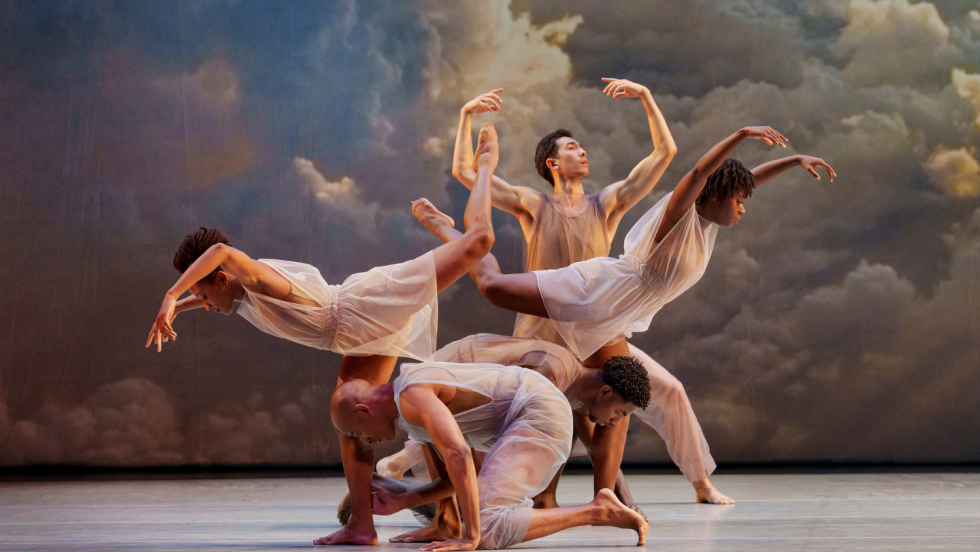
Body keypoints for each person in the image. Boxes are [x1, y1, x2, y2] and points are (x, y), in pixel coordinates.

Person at [420, 124, 836, 506]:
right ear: (713, 194)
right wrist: (741, 134)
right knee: (493, 287)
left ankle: (612, 494)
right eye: (739, 200)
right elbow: (697, 173)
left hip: (616, 316)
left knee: (630, 394)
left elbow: (742, 179)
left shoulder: (707, 223)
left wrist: (793, 162)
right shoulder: (679, 215)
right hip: (599, 291)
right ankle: (448, 230)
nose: (743, 207)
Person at [146, 124, 503, 546]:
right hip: (355, 336)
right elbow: (217, 284)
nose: (206, 304)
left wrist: (171, 295)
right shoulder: (240, 295)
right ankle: (363, 526)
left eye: (204, 294)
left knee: (480, 240)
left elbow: (223, 253)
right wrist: (182, 308)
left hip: (367, 305)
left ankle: (484, 167)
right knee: (350, 422)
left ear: (222, 279)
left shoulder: (261, 282)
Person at [451, 80, 732, 506]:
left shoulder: (607, 204)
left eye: (582, 147)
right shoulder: (533, 204)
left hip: (598, 331)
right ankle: (560, 494)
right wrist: (466, 116)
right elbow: (468, 174)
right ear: (553, 163)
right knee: (549, 408)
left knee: (668, 390)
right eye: (572, 148)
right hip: (544, 331)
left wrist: (647, 97)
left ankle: (699, 482)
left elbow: (663, 156)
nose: (582, 152)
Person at [331, 359, 650, 550]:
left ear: (363, 410)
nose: (366, 441)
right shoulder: (409, 415)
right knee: (481, 519)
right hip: (530, 412)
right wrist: (403, 500)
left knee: (484, 528)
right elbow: (454, 479)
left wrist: (470, 536)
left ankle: (597, 510)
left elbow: (459, 454)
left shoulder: (410, 393)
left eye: (359, 433)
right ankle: (597, 509)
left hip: (539, 410)